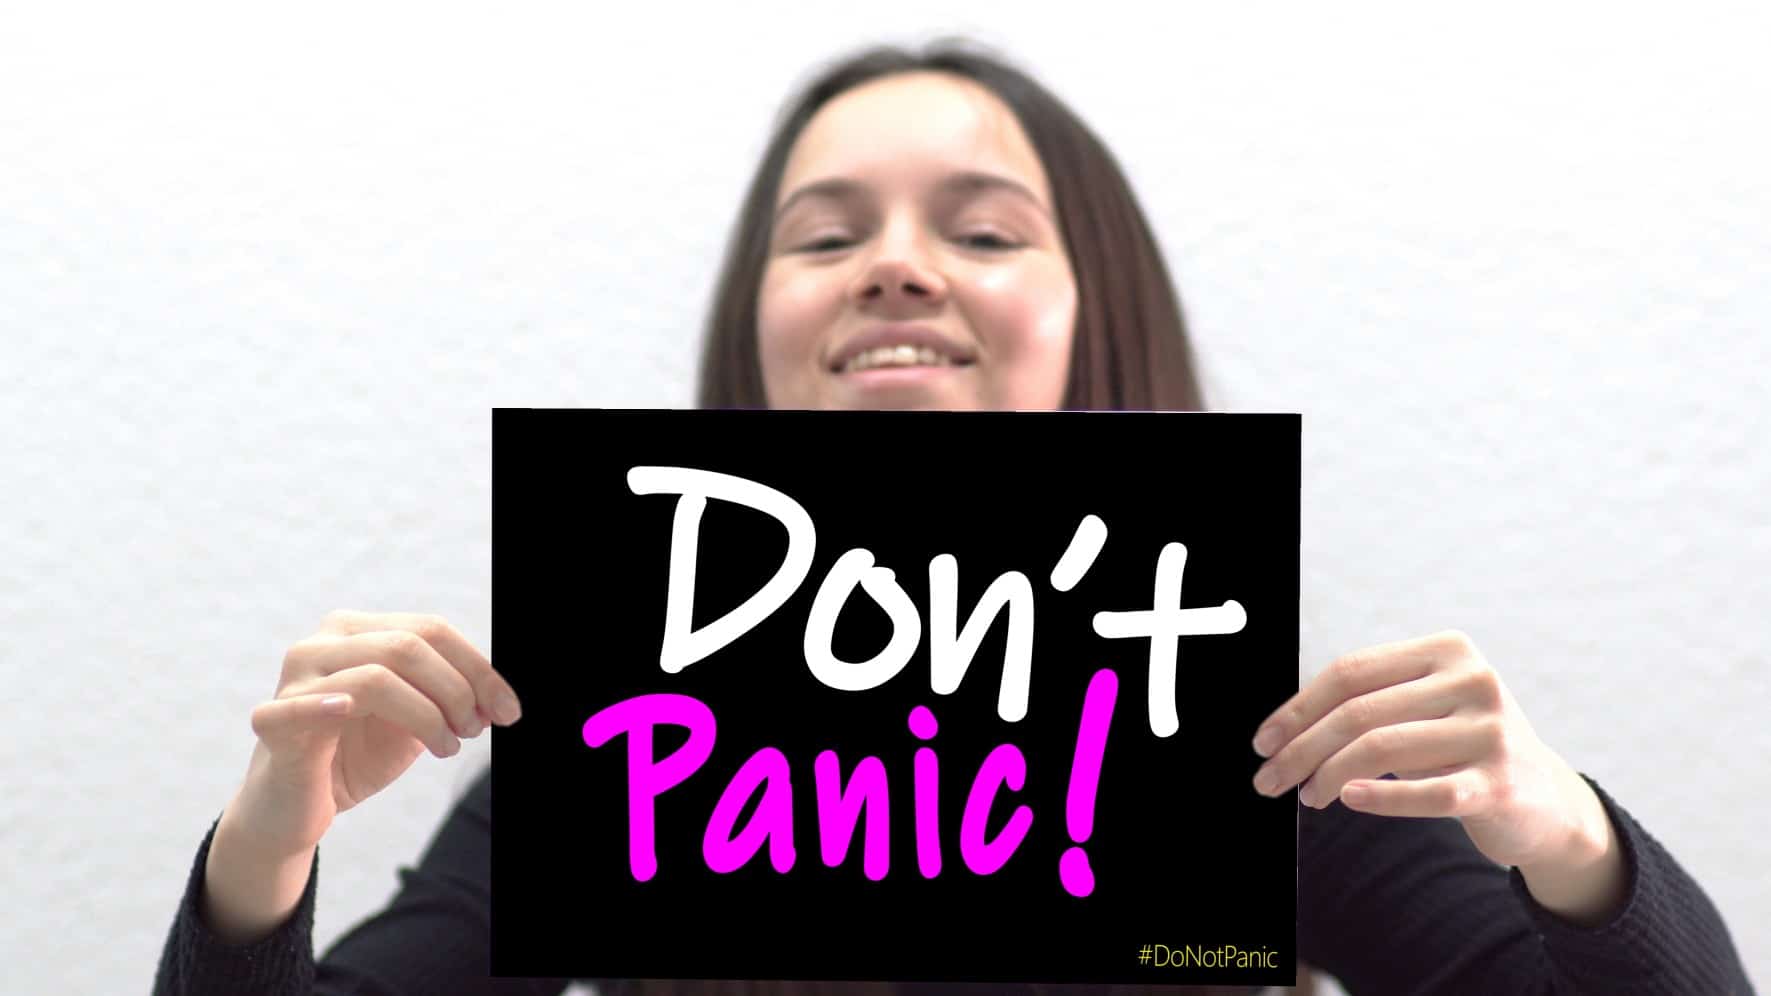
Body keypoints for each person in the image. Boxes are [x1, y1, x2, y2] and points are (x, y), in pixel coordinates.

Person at [153, 38, 1753, 996]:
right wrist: (265, 854)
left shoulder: (1260, 762)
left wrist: (1570, 839)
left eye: (981, 229)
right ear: (757, 333)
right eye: (825, 234)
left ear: (1093, 310)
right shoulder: (625, 752)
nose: (896, 265)